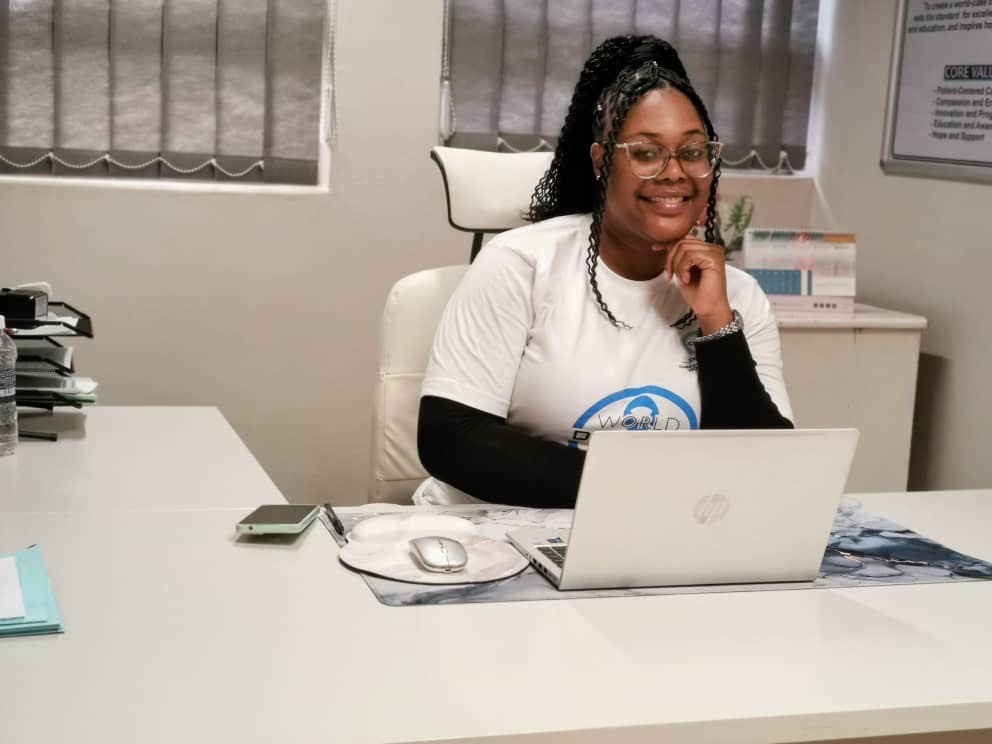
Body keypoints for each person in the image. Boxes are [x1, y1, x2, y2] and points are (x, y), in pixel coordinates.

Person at [415, 35, 793, 508]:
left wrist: (717, 324)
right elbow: (451, 439)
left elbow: (764, 465)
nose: (674, 172)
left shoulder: (738, 295)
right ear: (601, 162)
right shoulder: (521, 264)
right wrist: (634, 488)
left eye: (693, 152)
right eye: (646, 153)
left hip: (653, 531)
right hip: (494, 531)